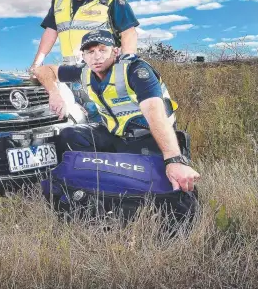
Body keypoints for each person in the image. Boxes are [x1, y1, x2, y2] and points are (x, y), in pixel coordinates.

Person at [33, 29, 200, 192]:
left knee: (157, 187)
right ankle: (91, 177)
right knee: (70, 134)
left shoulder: (135, 70)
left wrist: (174, 159)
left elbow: (156, 115)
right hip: (115, 136)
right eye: (90, 52)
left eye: (102, 50)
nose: (97, 56)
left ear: (115, 51)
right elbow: (43, 70)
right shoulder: (84, 72)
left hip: (148, 137)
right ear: (83, 56)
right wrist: (54, 92)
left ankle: (112, 172)